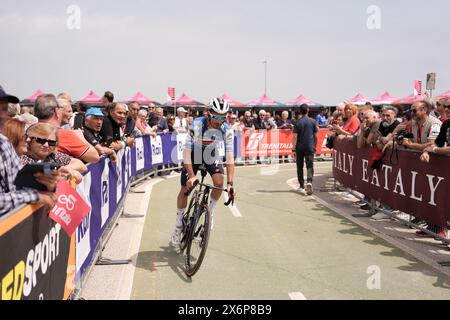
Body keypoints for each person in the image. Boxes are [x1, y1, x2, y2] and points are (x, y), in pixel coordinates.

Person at [171, 97, 235, 245]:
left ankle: (209, 213)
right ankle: (178, 224)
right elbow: (186, 153)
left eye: (223, 117)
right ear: (209, 114)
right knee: (185, 188)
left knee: (220, 182)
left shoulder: (227, 130)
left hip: (211, 154)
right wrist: (192, 176)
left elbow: (230, 158)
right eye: (216, 117)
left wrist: (230, 183)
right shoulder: (197, 125)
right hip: (194, 154)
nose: (219, 121)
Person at [0, 86, 59, 215]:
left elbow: (19, 180)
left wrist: (46, 184)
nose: (1, 115)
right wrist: (37, 196)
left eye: (4, 109)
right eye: (41, 140)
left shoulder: (4, 143)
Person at [34, 94, 100, 163]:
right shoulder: (64, 134)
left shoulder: (29, 132)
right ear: (57, 111)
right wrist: (81, 137)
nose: (72, 114)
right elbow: (94, 157)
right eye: (69, 111)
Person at [20, 123, 86, 184]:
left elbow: (82, 166)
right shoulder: (22, 158)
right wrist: (57, 172)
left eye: (51, 142)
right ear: (29, 140)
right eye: (41, 140)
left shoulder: (52, 155)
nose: (46, 145)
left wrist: (67, 169)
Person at [292, 104, 318, 196]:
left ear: (300, 111)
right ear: (307, 110)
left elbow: (295, 137)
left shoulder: (297, 122)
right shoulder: (313, 121)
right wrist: (315, 146)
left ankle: (301, 185)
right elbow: (315, 136)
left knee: (299, 166)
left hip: (299, 147)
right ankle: (309, 181)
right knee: (310, 165)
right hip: (310, 146)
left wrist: (293, 150)